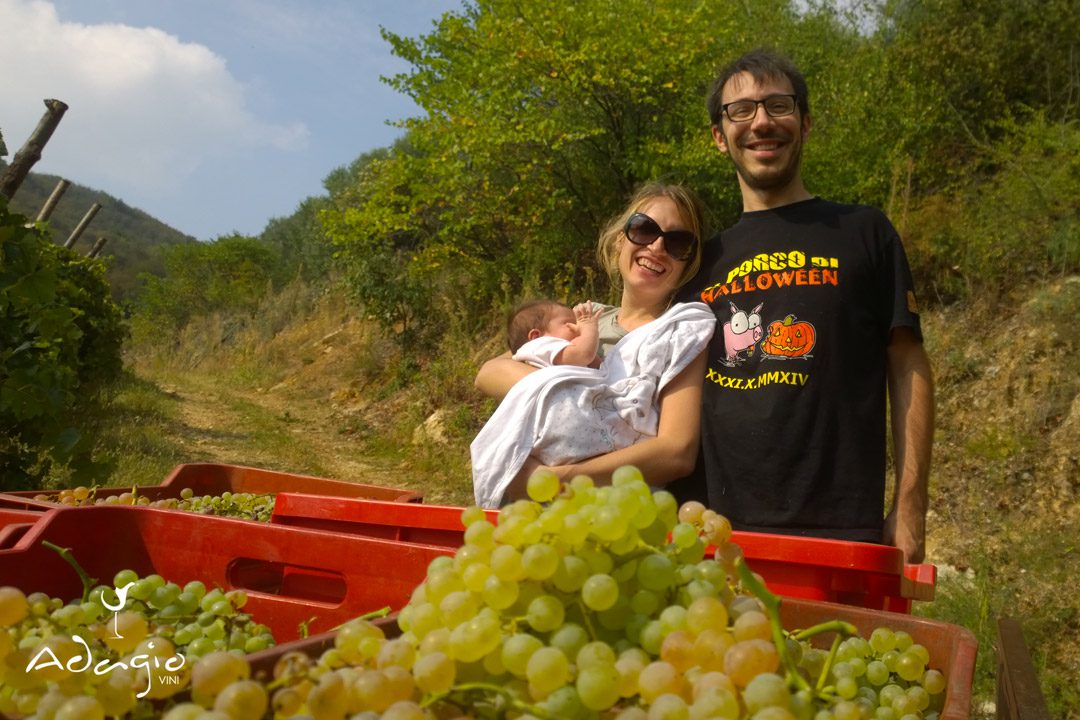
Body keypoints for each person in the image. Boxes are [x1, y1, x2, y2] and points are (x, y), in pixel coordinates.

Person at [676, 48, 934, 562]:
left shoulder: (865, 231)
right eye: (741, 110)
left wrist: (910, 506)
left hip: (838, 531)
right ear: (718, 137)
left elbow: (908, 365)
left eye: (779, 105)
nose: (762, 121)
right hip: (712, 533)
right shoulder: (700, 261)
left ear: (806, 123)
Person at [473, 183, 714, 504]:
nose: (657, 247)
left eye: (678, 242)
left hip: (605, 514)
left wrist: (558, 481)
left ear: (688, 263)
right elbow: (489, 371)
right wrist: (568, 391)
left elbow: (677, 452)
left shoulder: (680, 333)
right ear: (619, 241)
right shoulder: (580, 321)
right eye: (644, 229)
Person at [506, 299, 605, 369]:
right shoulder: (539, 346)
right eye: (570, 322)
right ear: (536, 336)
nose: (578, 326)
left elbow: (599, 367)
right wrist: (588, 326)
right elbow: (584, 355)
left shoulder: (557, 352)